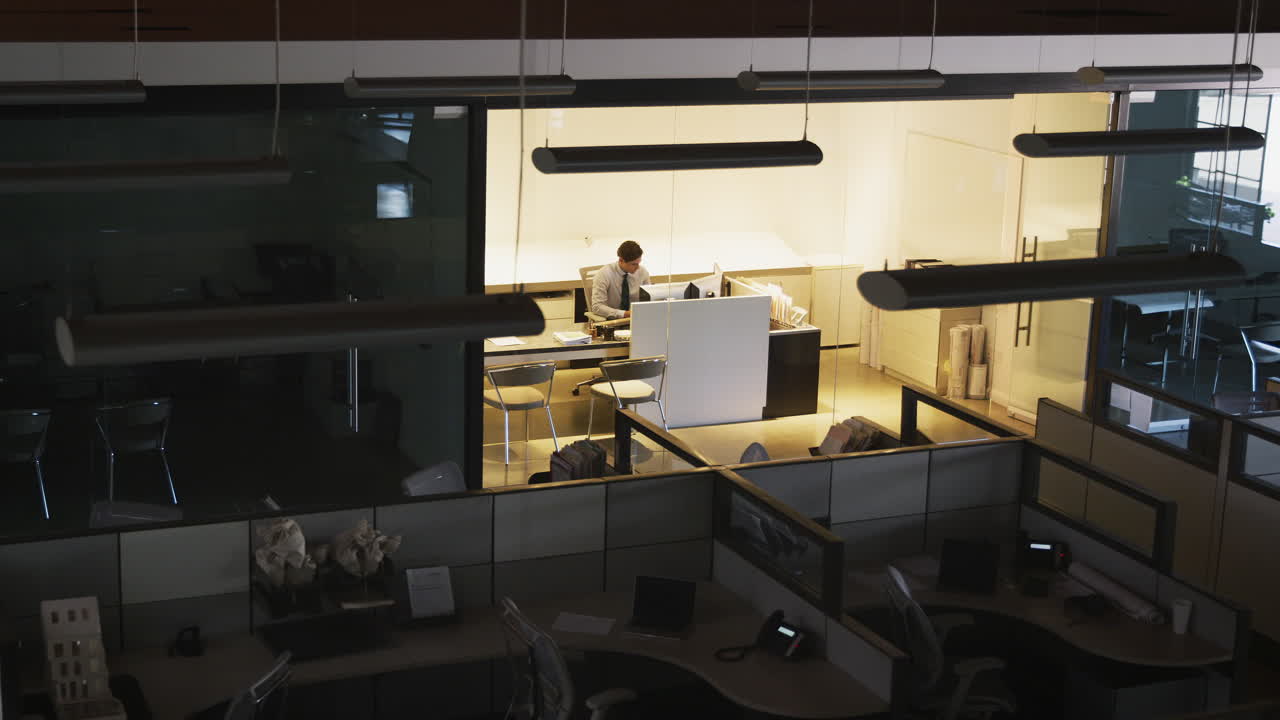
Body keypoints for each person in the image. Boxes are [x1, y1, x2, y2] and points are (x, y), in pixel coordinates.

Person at [591, 240, 650, 319]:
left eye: (638, 263)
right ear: (621, 260)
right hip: (611, 321)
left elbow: (650, 300)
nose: (637, 267)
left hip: (636, 319)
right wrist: (624, 314)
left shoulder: (642, 272)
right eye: (633, 264)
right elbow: (597, 307)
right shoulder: (604, 274)